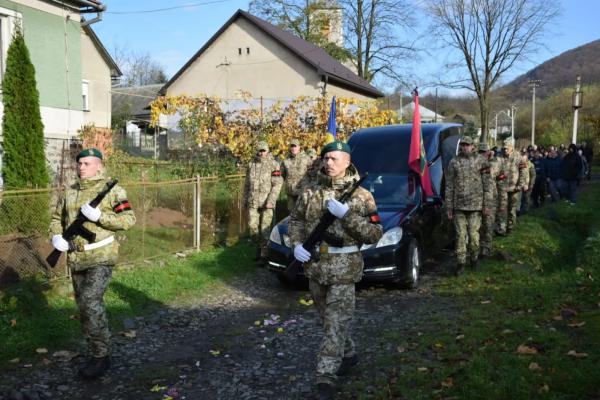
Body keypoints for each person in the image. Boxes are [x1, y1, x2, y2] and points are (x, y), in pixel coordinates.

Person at [288, 140, 383, 400]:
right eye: (326, 158)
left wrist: (347, 215)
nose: (328, 163)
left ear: (347, 162)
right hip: (316, 267)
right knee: (328, 322)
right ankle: (349, 354)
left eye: (334, 159)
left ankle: (325, 376)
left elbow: (375, 233)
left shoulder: (362, 196)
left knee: (335, 322)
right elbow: (295, 220)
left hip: (344, 269)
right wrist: (296, 244)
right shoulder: (309, 191)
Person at [49, 148, 136, 379]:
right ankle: (94, 349)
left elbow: (128, 220)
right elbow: (57, 219)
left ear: (99, 165)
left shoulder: (113, 191)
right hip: (76, 258)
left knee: (90, 301)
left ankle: (101, 357)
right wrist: (56, 237)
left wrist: (100, 217)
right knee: (84, 307)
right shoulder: (71, 192)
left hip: (102, 256)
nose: (82, 167)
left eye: (87, 163)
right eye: (80, 163)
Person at [445, 137, 492, 274]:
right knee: (460, 235)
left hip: (476, 206)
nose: (465, 147)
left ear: (473, 146)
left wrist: (486, 204)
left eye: (468, 145)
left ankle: (474, 259)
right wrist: (449, 207)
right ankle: (460, 263)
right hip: (459, 206)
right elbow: (449, 186)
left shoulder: (482, 161)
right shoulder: (454, 162)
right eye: (463, 145)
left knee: (473, 235)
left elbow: (487, 184)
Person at [242, 141, 283, 266]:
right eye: (259, 150)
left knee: (265, 230)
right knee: (252, 227)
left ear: (268, 151)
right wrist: (244, 200)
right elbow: (247, 185)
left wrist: (270, 201)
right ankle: (259, 249)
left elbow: (277, 185)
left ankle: (264, 256)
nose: (261, 153)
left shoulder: (274, 164)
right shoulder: (251, 164)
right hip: (253, 201)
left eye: (263, 150)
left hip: (266, 203)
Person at [477, 143, 500, 258]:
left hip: (490, 198)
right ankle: (480, 247)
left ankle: (486, 248)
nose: (482, 154)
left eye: (484, 152)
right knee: (480, 225)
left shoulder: (493, 163)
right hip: (478, 198)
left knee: (488, 224)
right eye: (480, 152)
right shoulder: (477, 163)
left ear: (488, 153)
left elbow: (493, 172)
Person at [282, 138, 311, 213]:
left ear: (299, 147)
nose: (293, 148)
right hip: (291, 193)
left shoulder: (306, 159)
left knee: (302, 214)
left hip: (303, 193)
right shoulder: (286, 160)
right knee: (291, 215)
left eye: (295, 146)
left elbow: (312, 174)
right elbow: (281, 176)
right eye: (292, 146)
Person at [519, 150, 536, 214]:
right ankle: (521, 211)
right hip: (521, 184)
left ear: (527, 157)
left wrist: (531, 184)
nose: (522, 158)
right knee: (521, 199)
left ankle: (526, 212)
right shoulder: (519, 164)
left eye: (524, 156)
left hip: (528, 184)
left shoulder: (530, 165)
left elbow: (533, 175)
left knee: (526, 198)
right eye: (522, 156)